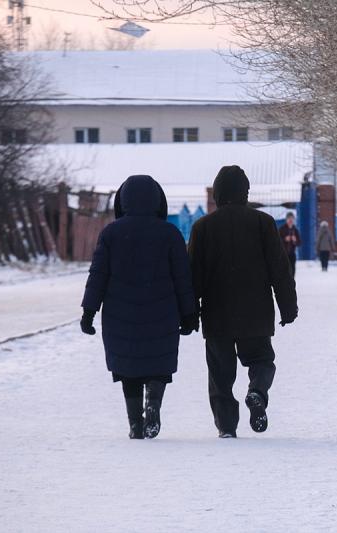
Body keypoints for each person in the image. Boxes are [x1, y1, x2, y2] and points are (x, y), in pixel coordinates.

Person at [80, 175, 197, 440]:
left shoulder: (111, 233)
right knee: (158, 365)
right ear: (158, 201)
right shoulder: (170, 234)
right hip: (162, 313)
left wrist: (89, 312)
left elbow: (97, 275)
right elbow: (183, 278)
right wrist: (189, 314)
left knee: (128, 369)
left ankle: (135, 423)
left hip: (120, 316)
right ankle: (153, 404)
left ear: (123, 200)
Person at [188, 165, 297, 438]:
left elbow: (193, 276)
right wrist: (287, 306)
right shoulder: (263, 223)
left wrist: (188, 315)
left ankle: (226, 427)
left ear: (218, 194)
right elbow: (279, 269)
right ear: (245, 192)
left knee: (220, 375)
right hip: (255, 313)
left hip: (217, 314)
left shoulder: (202, 227)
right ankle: (257, 391)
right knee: (262, 360)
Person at [278, 211, 301, 277]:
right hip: (283, 254)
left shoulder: (295, 230)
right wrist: (284, 239)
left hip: (292, 254)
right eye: (289, 218)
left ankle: (291, 284)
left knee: (292, 270)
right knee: (284, 270)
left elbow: (299, 243)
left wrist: (295, 240)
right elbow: (276, 241)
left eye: (292, 219)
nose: (290, 220)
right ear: (286, 220)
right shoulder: (281, 229)